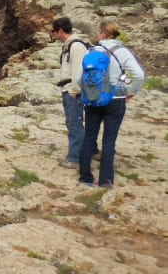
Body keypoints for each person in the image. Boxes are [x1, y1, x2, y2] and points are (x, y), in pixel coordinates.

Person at [77, 20, 145, 188]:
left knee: (89, 137)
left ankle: (85, 177)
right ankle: (105, 181)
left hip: (94, 99)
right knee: (109, 141)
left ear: (102, 33)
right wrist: (132, 91)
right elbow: (139, 75)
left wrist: (89, 92)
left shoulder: (92, 51)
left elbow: (80, 78)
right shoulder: (122, 52)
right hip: (116, 100)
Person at [50, 16, 89, 169]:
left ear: (60, 30)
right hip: (68, 90)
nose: (53, 35)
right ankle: (88, 151)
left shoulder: (76, 47)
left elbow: (78, 71)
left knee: (74, 124)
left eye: (53, 31)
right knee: (72, 123)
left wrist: (74, 91)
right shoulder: (70, 45)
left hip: (73, 92)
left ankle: (74, 158)